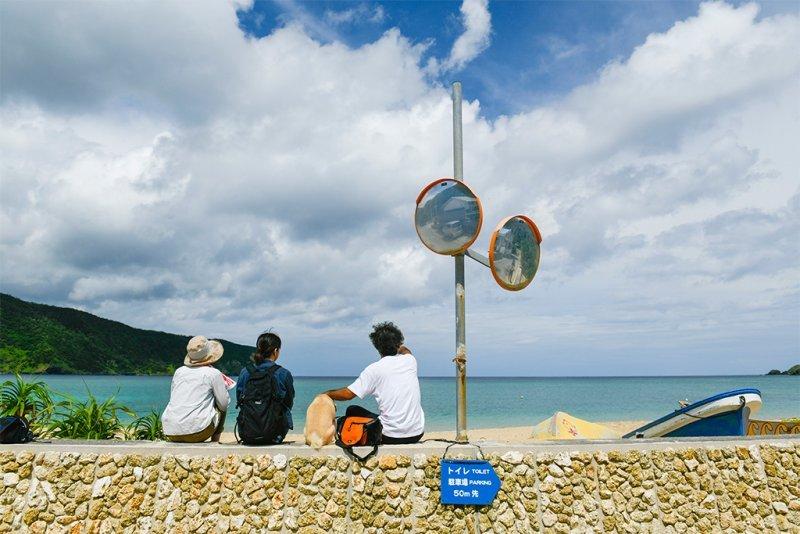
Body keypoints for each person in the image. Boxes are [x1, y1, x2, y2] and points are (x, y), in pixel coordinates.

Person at [324, 322, 425, 444]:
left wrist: (326, 394)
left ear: (377, 347)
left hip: (389, 436)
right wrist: (400, 347)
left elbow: (348, 394)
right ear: (398, 343)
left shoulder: (374, 369)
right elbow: (407, 351)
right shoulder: (410, 361)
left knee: (352, 410)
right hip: (417, 434)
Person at [161, 336, 230, 443]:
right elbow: (224, 405)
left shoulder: (179, 372)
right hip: (198, 432)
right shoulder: (213, 373)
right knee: (223, 400)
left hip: (171, 431)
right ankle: (215, 441)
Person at [236, 332, 295, 444]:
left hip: (247, 434)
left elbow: (240, 399)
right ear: (276, 351)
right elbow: (289, 402)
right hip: (275, 435)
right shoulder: (283, 373)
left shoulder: (245, 372)